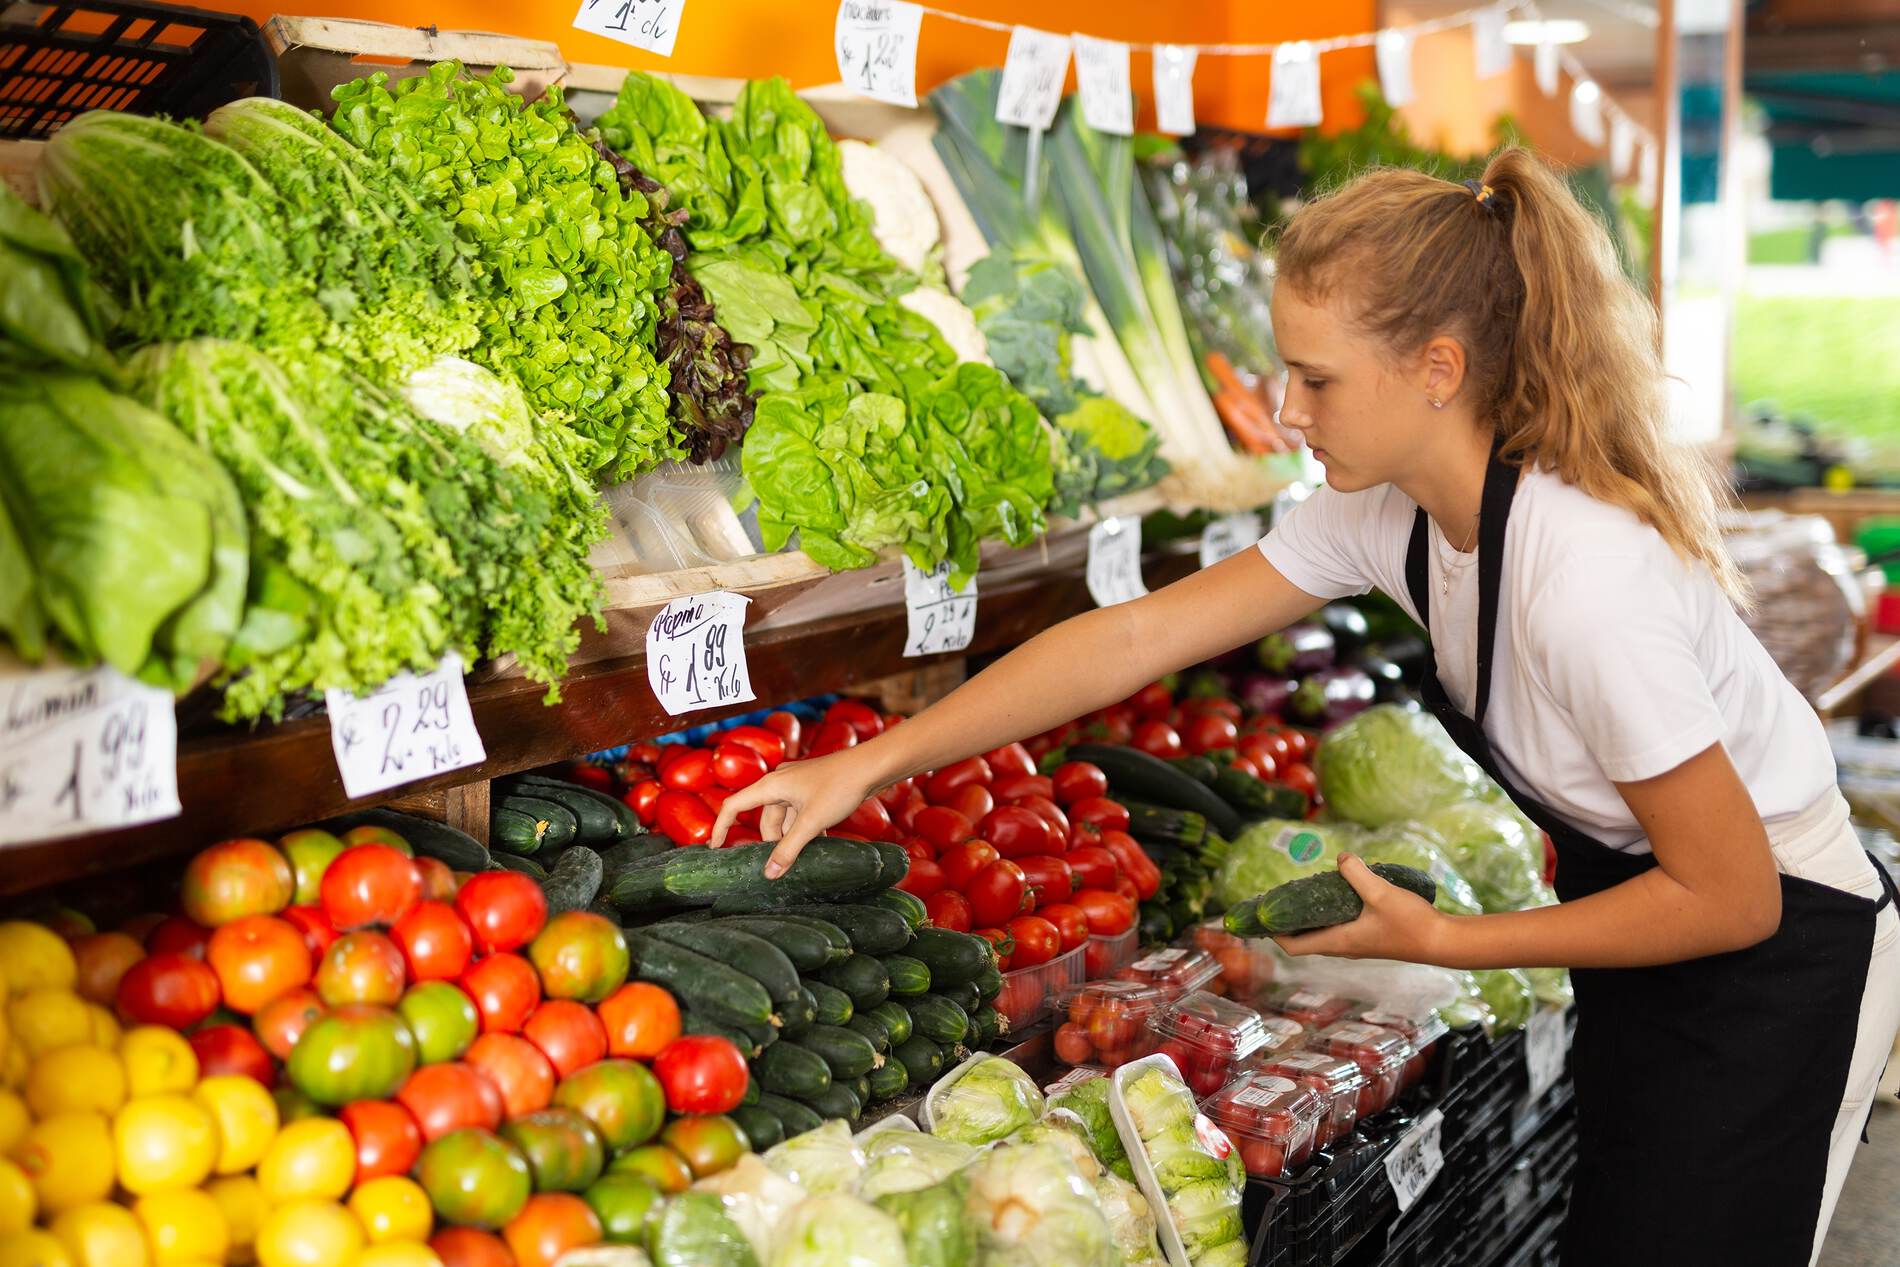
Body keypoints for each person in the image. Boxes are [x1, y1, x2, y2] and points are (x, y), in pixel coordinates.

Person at [711, 148, 1900, 1266]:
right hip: (1647, 932)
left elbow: (1729, 894)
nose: (1284, 407)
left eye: (1315, 376)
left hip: (1780, 952)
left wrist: (1447, 945)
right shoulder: (1389, 510)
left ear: (1438, 369)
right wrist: (875, 761)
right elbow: (1136, 633)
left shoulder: (1584, 578)